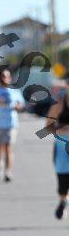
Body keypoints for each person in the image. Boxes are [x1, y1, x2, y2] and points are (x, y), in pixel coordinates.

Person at [45, 87, 69, 219]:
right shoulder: (60, 103)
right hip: (62, 145)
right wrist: (62, 129)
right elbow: (48, 126)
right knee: (63, 180)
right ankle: (63, 200)